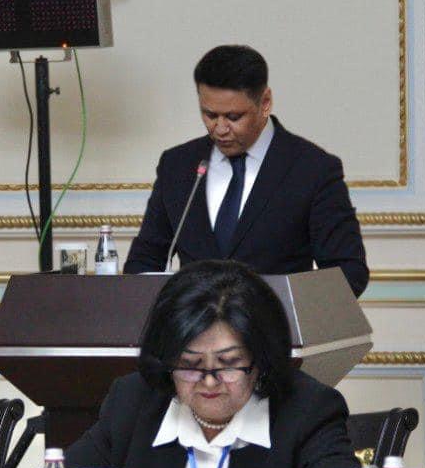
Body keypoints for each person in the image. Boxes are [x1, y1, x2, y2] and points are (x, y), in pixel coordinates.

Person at [33, 259, 370, 468]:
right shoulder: (134, 401)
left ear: (261, 360)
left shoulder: (307, 407)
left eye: (229, 364)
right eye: (189, 365)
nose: (209, 382)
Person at [123, 44, 369, 297]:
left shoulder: (313, 169)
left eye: (233, 117)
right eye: (209, 115)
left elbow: (349, 273)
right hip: (192, 321)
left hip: (275, 321)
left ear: (265, 103)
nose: (220, 129)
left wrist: (282, 306)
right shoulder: (177, 165)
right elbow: (144, 261)